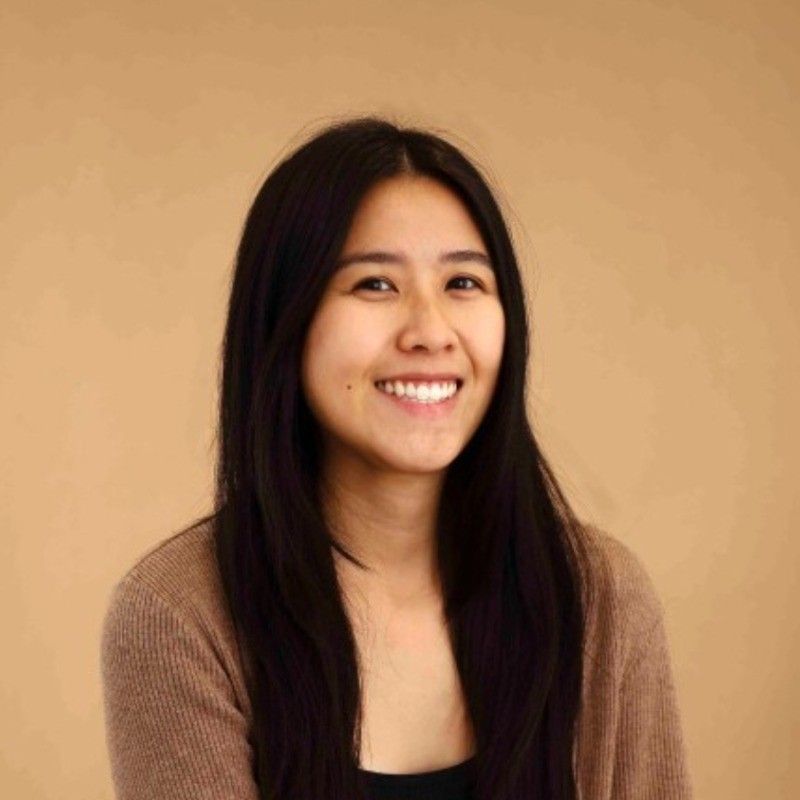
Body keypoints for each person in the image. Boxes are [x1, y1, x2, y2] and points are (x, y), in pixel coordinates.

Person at [100, 116, 693, 800]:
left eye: (464, 284)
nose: (430, 332)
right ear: (285, 321)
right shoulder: (180, 615)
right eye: (375, 285)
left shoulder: (599, 598)